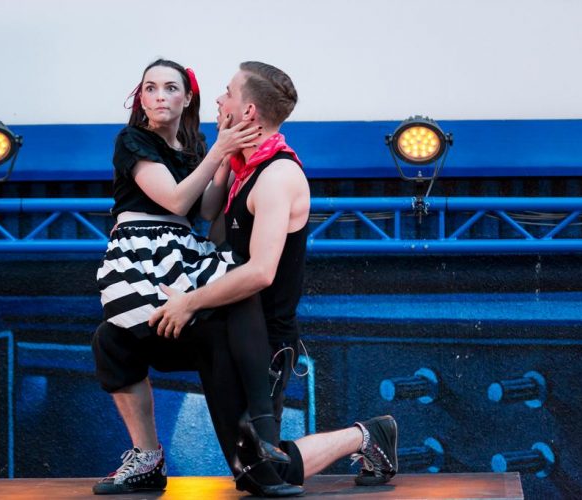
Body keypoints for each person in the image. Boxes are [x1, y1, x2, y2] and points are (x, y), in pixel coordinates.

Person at [149, 61, 399, 495]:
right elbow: (207, 212)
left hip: (264, 339)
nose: (218, 100)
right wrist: (223, 154)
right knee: (249, 473)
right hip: (227, 325)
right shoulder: (242, 167)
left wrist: (188, 302)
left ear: (247, 111)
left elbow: (261, 272)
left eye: (228, 92)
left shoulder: (278, 176)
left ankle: (367, 436)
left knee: (266, 472)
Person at [92, 58, 300, 495]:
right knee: (112, 338)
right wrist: (220, 152)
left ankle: (255, 451)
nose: (159, 97)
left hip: (181, 251)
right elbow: (174, 200)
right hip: (143, 255)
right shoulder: (132, 140)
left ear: (188, 99)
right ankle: (150, 456)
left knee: (233, 295)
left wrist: (220, 158)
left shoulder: (201, 148)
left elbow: (205, 209)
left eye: (171, 88)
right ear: (140, 98)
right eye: (150, 88)